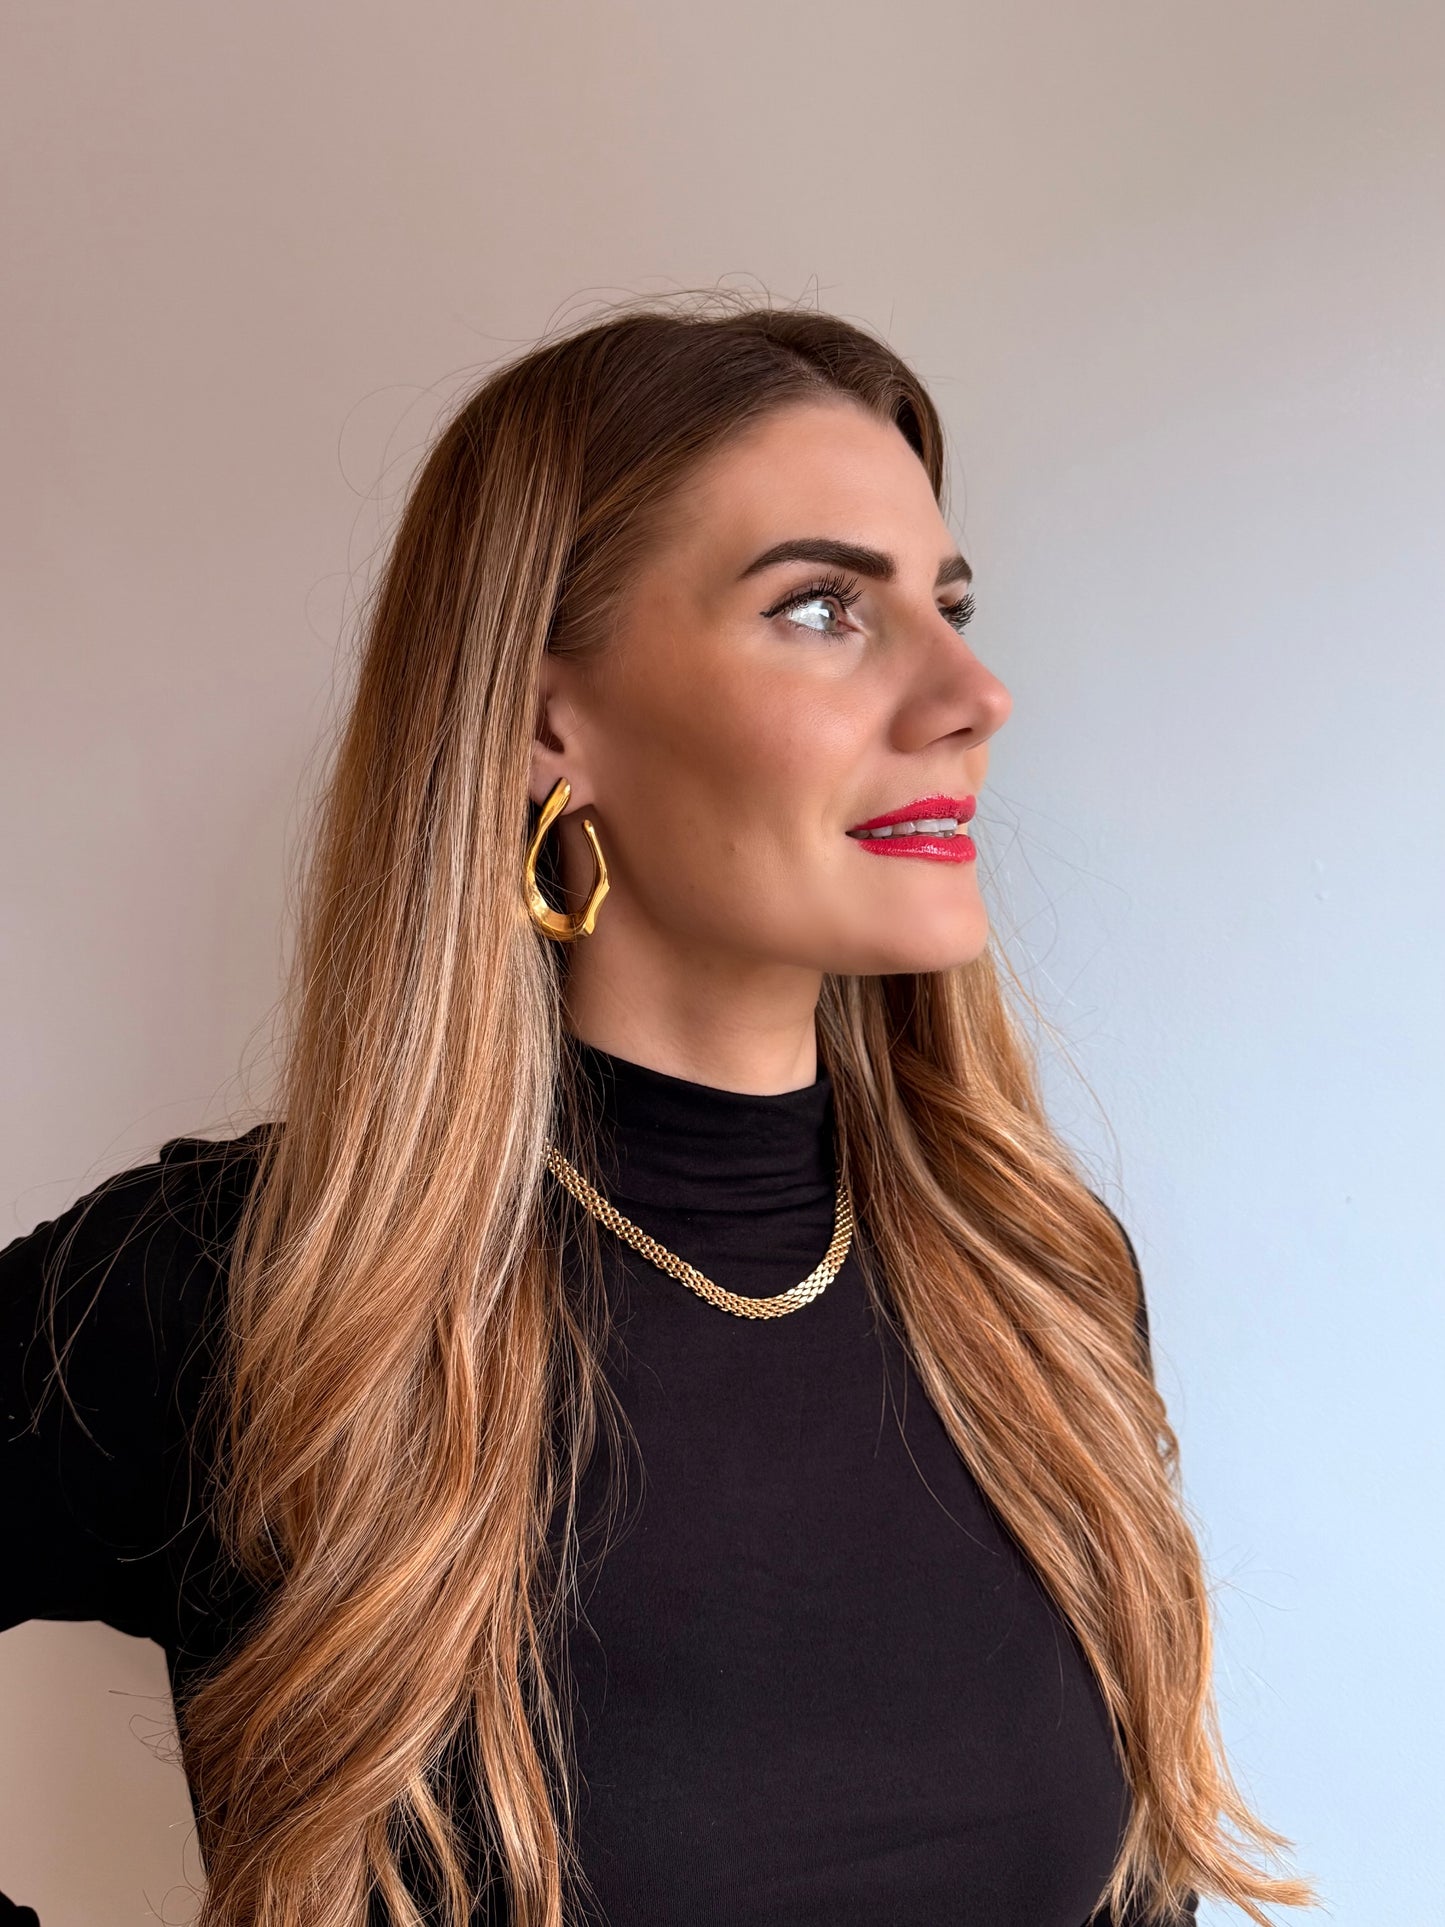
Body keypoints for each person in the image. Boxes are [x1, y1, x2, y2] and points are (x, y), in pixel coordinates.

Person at [0, 297, 1312, 1927]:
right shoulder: (241, 1292)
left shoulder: (1034, 1285)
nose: (971, 693)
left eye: (950, 607)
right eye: (826, 607)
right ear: (552, 719)